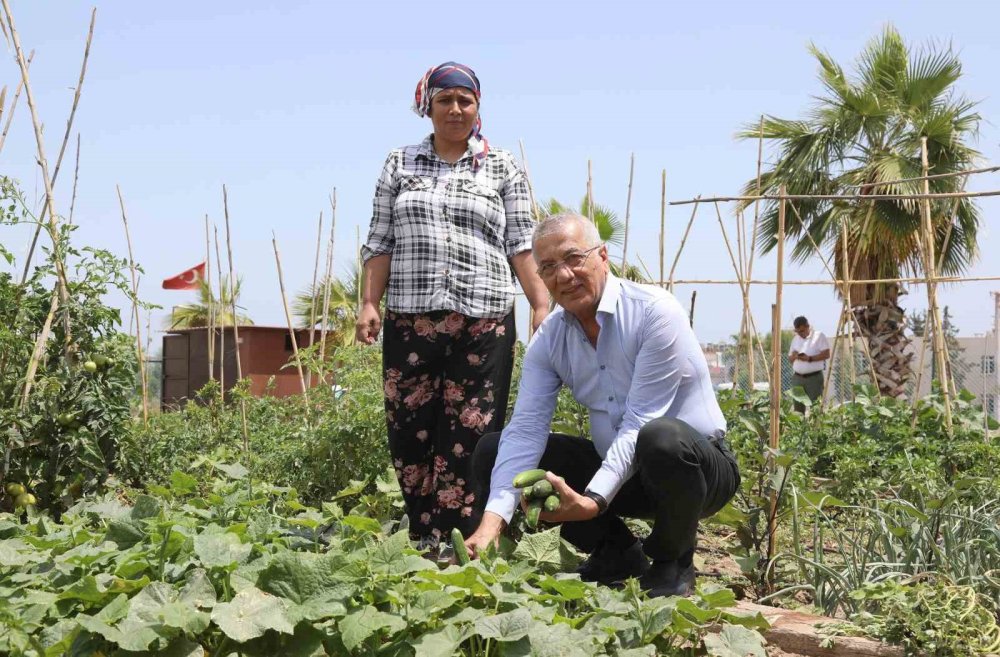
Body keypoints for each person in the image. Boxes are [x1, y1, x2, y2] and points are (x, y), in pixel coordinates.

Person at [464, 213, 740, 598]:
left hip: (696, 471)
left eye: (574, 258)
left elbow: (640, 420)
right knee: (495, 451)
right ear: (540, 278)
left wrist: (591, 501)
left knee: (659, 437)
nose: (564, 275)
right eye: (548, 267)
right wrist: (492, 522)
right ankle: (616, 552)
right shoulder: (549, 340)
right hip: (622, 476)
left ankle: (671, 563)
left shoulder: (655, 312)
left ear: (603, 256)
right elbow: (526, 429)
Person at [356, 62, 550, 554]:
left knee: (474, 429)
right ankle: (422, 534)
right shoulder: (400, 163)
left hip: (483, 318)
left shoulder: (501, 166)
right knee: (409, 429)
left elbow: (521, 243)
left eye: (465, 101)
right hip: (410, 317)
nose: (456, 110)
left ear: (478, 107)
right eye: (446, 100)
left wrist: (540, 305)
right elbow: (380, 240)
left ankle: (458, 541)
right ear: (429, 107)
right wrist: (368, 303)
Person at [788, 316, 830, 411]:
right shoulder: (795, 339)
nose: (800, 334)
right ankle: (798, 426)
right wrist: (795, 356)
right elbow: (790, 359)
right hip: (797, 378)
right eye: (797, 331)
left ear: (808, 326)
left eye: (802, 331)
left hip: (814, 378)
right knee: (797, 409)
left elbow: (827, 354)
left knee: (816, 408)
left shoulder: (819, 336)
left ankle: (817, 426)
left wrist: (809, 358)